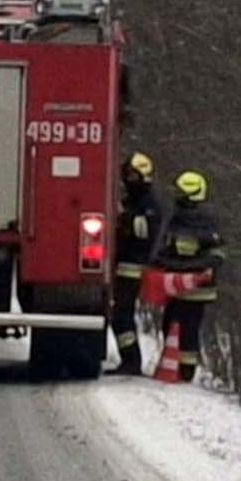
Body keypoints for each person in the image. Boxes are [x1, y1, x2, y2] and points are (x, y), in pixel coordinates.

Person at [156, 169, 225, 383]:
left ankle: (185, 373)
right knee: (175, 326)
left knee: (187, 330)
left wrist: (187, 268)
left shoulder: (203, 222)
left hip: (194, 288)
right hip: (179, 285)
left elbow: (216, 254)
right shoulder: (180, 219)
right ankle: (176, 367)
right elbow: (165, 248)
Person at [111, 151, 162, 375]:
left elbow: (144, 231)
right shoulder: (134, 200)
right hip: (124, 264)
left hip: (133, 265)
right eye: (127, 174)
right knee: (120, 315)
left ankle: (131, 362)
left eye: (132, 175)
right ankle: (129, 360)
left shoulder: (148, 204)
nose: (127, 179)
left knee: (122, 315)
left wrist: (123, 218)